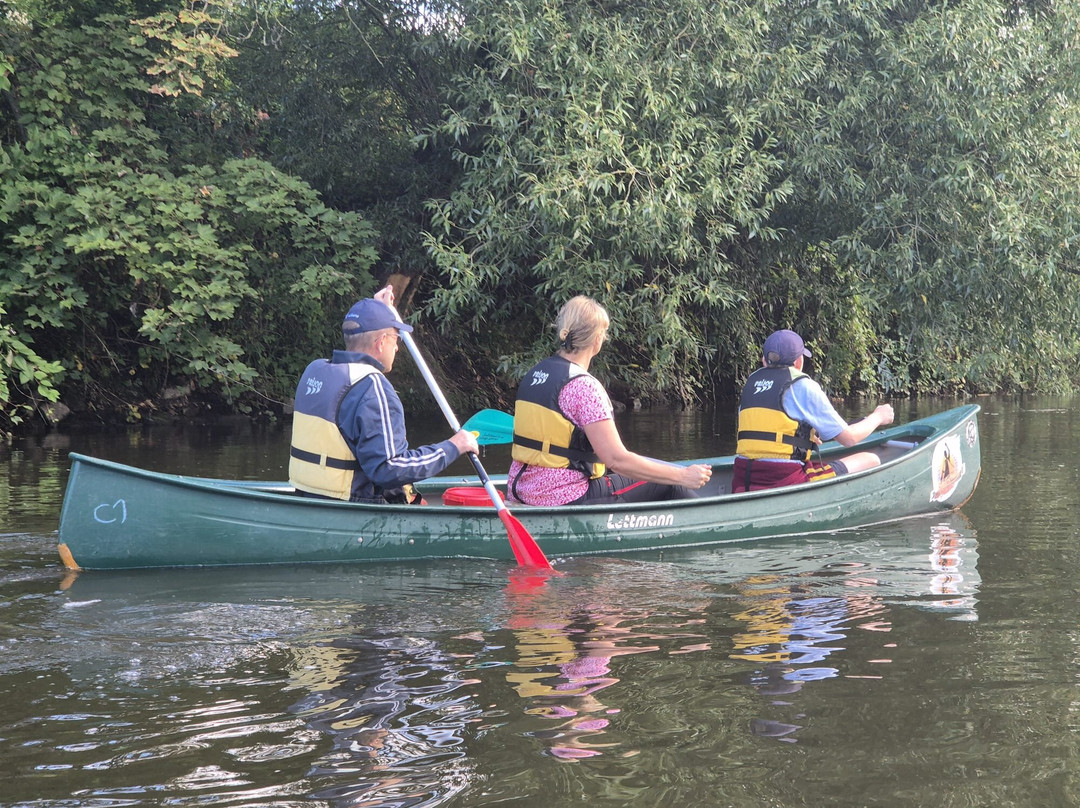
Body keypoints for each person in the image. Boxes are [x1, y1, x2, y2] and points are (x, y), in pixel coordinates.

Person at [506, 295, 712, 506]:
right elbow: (616, 460)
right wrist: (682, 476)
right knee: (670, 483)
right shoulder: (583, 386)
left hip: (521, 491)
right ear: (597, 339)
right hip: (563, 496)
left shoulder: (535, 375)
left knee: (647, 472)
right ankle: (712, 522)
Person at [289, 285, 479, 503]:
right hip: (353, 509)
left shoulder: (315, 371)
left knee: (413, 498)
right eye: (395, 339)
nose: (397, 348)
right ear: (381, 343)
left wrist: (378, 311)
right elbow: (389, 469)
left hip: (307, 497)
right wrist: (453, 447)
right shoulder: (372, 386)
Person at [732, 329, 894, 493]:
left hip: (743, 479)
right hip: (784, 481)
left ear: (764, 361)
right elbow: (849, 438)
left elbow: (764, 430)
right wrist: (878, 416)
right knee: (870, 459)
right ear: (798, 362)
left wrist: (805, 435)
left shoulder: (751, 385)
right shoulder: (803, 385)